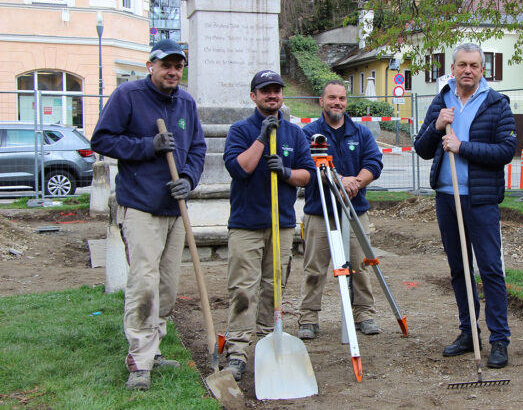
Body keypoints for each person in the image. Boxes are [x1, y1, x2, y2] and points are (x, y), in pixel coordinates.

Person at [90, 39, 206, 391]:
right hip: (140, 206)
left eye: (178, 66)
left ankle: (154, 348)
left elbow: (197, 149)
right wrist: (147, 146)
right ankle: (139, 360)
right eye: (166, 65)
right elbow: (102, 140)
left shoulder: (186, 102)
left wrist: (188, 179)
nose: (173, 71)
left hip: (175, 208)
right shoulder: (128, 96)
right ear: (150, 66)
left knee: (167, 286)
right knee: (144, 281)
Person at [413, 43, 516, 369]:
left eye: (474, 65)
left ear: (482, 69)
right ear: (453, 68)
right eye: (462, 65)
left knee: (490, 269)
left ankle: (499, 339)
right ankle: (468, 332)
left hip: (481, 199)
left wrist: (463, 146)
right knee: (459, 270)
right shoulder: (441, 100)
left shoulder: (497, 104)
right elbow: (422, 148)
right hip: (447, 196)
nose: (467, 70)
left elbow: (505, 151)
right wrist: (437, 127)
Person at [220, 70, 315, 381]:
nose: (272, 95)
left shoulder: (295, 134)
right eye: (265, 91)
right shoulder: (240, 130)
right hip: (246, 224)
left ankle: (265, 343)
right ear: (254, 96)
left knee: (274, 288)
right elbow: (240, 169)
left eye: (276, 90)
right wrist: (262, 137)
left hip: (282, 224)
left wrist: (286, 172)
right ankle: (237, 351)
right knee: (243, 290)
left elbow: (307, 175)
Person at [298, 80, 383, 340]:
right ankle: (309, 317)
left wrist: (356, 182)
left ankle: (364, 314)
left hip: (355, 211)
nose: (338, 103)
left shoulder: (360, 133)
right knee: (315, 267)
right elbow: (309, 167)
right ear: (321, 101)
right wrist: (340, 180)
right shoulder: (308, 133)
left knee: (360, 265)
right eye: (332, 98)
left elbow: (374, 163)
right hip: (320, 213)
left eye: (342, 98)